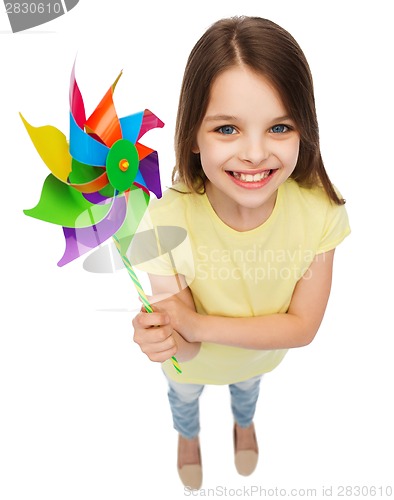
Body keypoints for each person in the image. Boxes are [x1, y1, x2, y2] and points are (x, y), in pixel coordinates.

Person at [131, 16, 350, 490]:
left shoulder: (320, 213)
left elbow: (302, 327)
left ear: (303, 129)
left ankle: (243, 423)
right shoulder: (160, 222)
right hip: (192, 366)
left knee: (248, 389)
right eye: (227, 129)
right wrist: (166, 335)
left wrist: (197, 325)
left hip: (259, 359)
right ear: (192, 135)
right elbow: (186, 349)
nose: (254, 153)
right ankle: (187, 437)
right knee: (183, 398)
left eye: (279, 127)